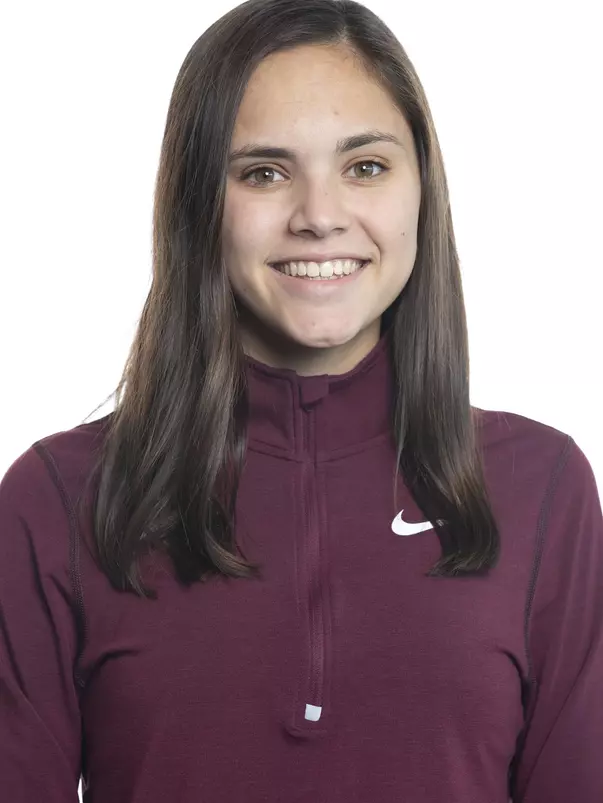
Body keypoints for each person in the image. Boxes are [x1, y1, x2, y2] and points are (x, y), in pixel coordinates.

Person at [1, 0, 601, 800]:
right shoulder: (56, 499)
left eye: (365, 167)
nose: (319, 217)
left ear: (421, 190)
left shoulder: (542, 489)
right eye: (263, 172)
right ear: (198, 206)